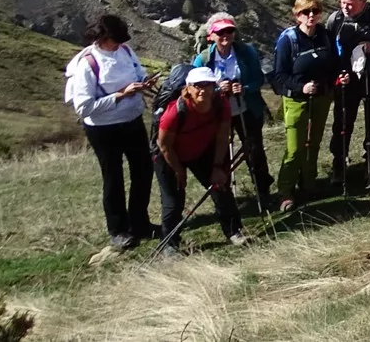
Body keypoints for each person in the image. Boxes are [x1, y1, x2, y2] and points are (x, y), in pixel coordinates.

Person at [64, 14, 156, 250]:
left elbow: (138, 69)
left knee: (143, 170)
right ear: (102, 39)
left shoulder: (125, 51)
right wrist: (120, 95)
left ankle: (140, 222)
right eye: (114, 41)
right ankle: (118, 230)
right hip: (103, 129)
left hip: (132, 119)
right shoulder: (86, 64)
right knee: (113, 177)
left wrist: (144, 80)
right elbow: (84, 107)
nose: (117, 45)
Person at [154, 68, 246, 250]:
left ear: (214, 87)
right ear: (188, 88)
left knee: (221, 188)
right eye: (198, 86)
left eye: (208, 85)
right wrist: (179, 170)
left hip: (202, 151)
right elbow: (164, 146)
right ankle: (170, 245)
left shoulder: (221, 104)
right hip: (170, 157)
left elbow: (222, 137)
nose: (203, 90)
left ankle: (234, 231)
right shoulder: (174, 112)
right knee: (173, 201)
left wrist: (218, 166)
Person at [192, 14, 273, 210]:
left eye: (229, 31)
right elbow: (193, 87)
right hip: (217, 113)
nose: (225, 35)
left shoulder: (247, 52)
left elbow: (258, 80)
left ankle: (263, 192)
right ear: (211, 35)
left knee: (254, 152)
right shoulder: (203, 59)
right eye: (220, 32)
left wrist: (244, 89)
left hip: (246, 109)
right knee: (219, 154)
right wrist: (218, 90)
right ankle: (225, 197)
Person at [271, 0, 339, 210]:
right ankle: (285, 192)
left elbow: (334, 65)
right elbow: (279, 75)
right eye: (305, 12)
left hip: (322, 98)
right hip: (296, 100)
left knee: (314, 144)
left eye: (315, 11)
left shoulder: (325, 36)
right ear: (296, 15)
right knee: (294, 148)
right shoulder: (288, 40)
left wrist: (339, 77)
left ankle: (309, 185)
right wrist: (301, 87)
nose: (311, 15)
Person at [325, 0, 370, 188]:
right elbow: (329, 50)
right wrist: (336, 75)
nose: (346, 7)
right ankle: (339, 162)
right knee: (342, 120)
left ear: (363, 2)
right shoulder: (335, 20)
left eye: (351, 4)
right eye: (343, 3)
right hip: (345, 78)